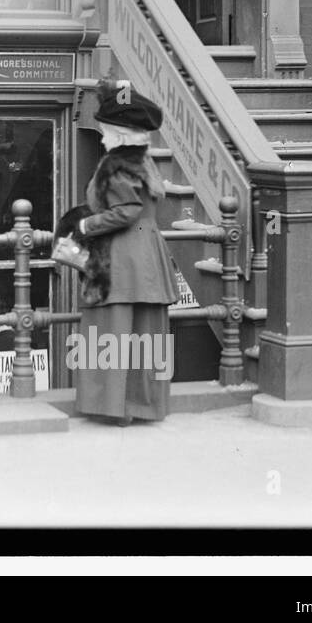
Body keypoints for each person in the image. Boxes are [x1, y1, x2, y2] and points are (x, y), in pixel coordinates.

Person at [70, 81, 177, 425]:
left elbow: (126, 211)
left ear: (120, 134)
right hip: (147, 251)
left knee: (111, 329)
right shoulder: (143, 162)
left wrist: (85, 225)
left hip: (120, 255)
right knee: (144, 331)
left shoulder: (115, 165)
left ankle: (113, 407)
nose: (102, 139)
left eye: (106, 132)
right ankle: (141, 405)